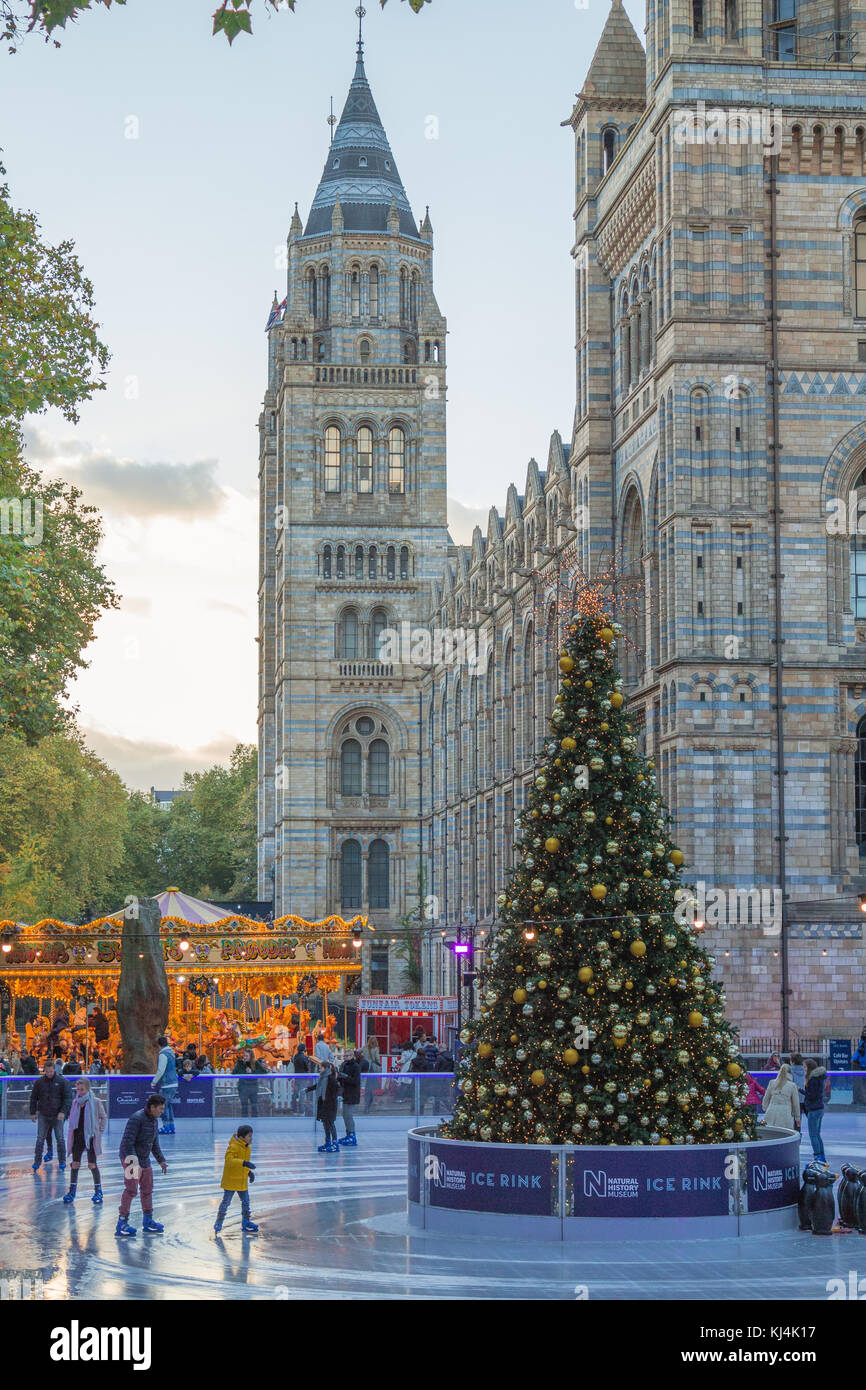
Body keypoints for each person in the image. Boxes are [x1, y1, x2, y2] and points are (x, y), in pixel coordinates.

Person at [116, 1093, 167, 1238]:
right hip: (130, 1158)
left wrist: (161, 1160)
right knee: (131, 1190)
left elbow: (154, 1143)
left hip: (144, 1159)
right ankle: (122, 1222)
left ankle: (148, 1221)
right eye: (161, 1109)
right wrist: (134, 1163)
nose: (162, 1112)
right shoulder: (136, 1119)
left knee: (147, 1189)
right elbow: (127, 1143)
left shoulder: (154, 1121)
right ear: (152, 1107)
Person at [62, 1077, 107, 1205]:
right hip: (77, 1137)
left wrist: (99, 1131)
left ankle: (98, 1191)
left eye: (82, 1089)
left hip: (91, 1137)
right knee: (75, 1164)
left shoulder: (96, 1102)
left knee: (92, 1165)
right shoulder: (75, 1102)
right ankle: (72, 1191)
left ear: (88, 1089)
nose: (80, 1092)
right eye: (78, 1089)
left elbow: (103, 1117)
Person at [213, 1125, 258, 1235]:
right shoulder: (233, 1146)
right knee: (226, 1202)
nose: (251, 1138)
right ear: (242, 1137)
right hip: (231, 1181)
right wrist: (244, 1163)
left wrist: (249, 1173)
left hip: (242, 1181)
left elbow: (244, 1163)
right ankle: (219, 1222)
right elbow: (229, 1160)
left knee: (246, 1202)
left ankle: (246, 1222)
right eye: (249, 1136)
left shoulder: (247, 1148)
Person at [30, 1059, 72, 1172]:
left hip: (57, 1115)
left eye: (51, 1071)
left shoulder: (62, 1082)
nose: (49, 1073)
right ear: (44, 1071)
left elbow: (68, 1098)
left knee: (60, 1138)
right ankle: (37, 1161)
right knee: (40, 1139)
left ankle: (62, 1161)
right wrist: (33, 1112)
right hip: (44, 1114)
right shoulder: (39, 1082)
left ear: (54, 1070)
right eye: (47, 1071)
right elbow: (34, 1098)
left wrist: (63, 1111)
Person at [308, 1060, 340, 1153]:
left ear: (325, 1068)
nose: (319, 1069)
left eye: (320, 1067)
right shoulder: (322, 1077)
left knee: (330, 1123)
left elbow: (337, 1088)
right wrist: (308, 1089)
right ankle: (328, 1142)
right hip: (323, 1103)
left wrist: (336, 1097)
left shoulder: (331, 1078)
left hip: (330, 1104)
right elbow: (317, 1086)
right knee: (325, 1123)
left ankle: (335, 1143)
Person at [151, 1034, 179, 1135]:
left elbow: (161, 1070)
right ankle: (171, 1126)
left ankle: (166, 1126)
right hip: (174, 1082)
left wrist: (154, 1081)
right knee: (169, 1105)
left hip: (167, 1084)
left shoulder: (163, 1054)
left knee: (163, 1106)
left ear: (159, 1045)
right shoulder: (171, 1052)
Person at [761, 1063, 800, 1131]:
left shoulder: (772, 1082)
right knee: (785, 1135)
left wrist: (766, 1109)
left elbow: (765, 1099)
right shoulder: (792, 1085)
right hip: (785, 1114)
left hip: (771, 1112)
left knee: (770, 1135)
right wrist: (797, 1118)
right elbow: (796, 1104)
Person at [803, 1059, 829, 1163]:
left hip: (814, 1109)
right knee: (817, 1134)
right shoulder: (819, 1078)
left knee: (813, 1135)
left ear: (809, 1068)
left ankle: (818, 1157)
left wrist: (800, 1090)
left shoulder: (813, 1079)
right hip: (819, 1108)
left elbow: (811, 1096)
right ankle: (821, 1156)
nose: (804, 1069)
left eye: (805, 1067)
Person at [233, 1047, 267, 1118]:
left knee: (254, 1107)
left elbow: (264, 1072)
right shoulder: (240, 1063)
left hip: (253, 1088)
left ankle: (254, 1123)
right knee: (244, 1107)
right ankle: (244, 1123)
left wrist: (252, 1072)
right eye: (244, 1055)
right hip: (243, 1088)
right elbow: (234, 1072)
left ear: (251, 1057)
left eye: (246, 1056)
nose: (244, 1057)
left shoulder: (255, 1063)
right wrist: (240, 1065)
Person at [338, 1049, 363, 1146]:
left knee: (348, 1115)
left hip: (352, 1094)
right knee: (345, 1114)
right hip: (346, 1093)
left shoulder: (356, 1066)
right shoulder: (344, 1065)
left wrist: (345, 1077)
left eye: (347, 1055)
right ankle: (348, 1133)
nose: (345, 1057)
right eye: (344, 1056)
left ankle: (352, 1134)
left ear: (352, 1056)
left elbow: (355, 1081)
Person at [362, 1035, 380, 1113]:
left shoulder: (364, 1048)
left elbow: (357, 1051)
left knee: (367, 1088)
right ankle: (368, 1105)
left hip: (366, 1068)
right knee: (371, 1087)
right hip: (372, 1069)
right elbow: (377, 1059)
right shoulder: (376, 1049)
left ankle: (367, 1104)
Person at [291, 1044, 311, 1113]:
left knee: (295, 1094)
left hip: (297, 1077)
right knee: (302, 1095)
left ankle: (294, 1111)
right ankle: (302, 1111)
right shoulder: (305, 1057)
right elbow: (307, 1068)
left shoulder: (295, 1056)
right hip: (303, 1077)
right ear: (304, 1049)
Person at [852, 1028, 866, 1106]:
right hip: (859, 1064)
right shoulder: (862, 1041)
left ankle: (863, 1100)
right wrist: (854, 1059)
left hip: (863, 1064)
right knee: (857, 1084)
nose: (864, 1032)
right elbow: (858, 1052)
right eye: (864, 1031)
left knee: (863, 1084)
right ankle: (857, 1100)